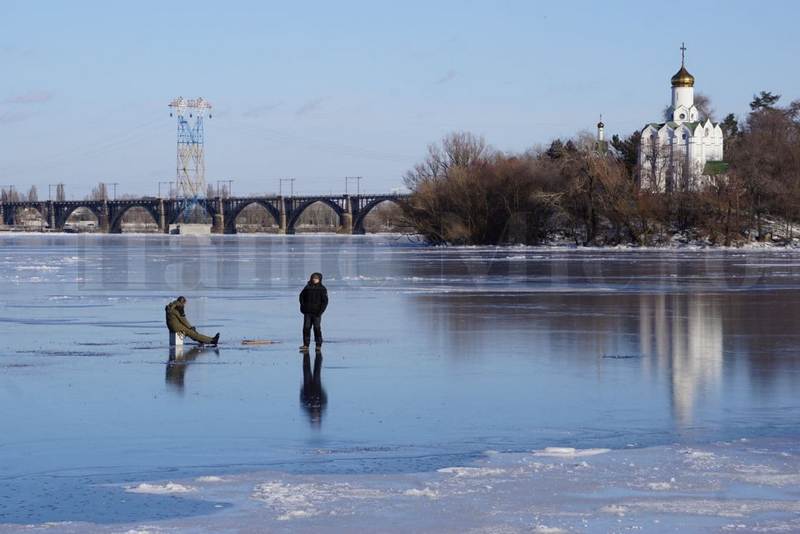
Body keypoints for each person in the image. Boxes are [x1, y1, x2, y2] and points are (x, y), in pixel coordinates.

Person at [299, 272, 328, 351]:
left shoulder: (322, 289)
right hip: (307, 312)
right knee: (306, 328)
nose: (314, 280)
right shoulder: (307, 287)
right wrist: (302, 307)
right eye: (313, 278)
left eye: (316, 278)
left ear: (319, 279)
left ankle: (318, 345)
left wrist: (320, 311)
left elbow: (325, 302)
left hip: (317, 313)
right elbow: (301, 297)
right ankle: (306, 345)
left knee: (317, 328)